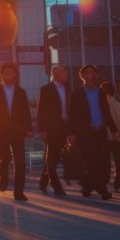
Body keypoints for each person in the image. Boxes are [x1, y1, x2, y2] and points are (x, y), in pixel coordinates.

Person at [67, 65, 116, 201]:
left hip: (99, 132)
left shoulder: (101, 93)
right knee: (90, 162)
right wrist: (71, 133)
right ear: (82, 77)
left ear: (97, 75)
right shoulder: (77, 94)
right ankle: (103, 191)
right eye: (87, 73)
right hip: (84, 134)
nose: (90, 75)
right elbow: (72, 115)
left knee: (96, 162)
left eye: (93, 72)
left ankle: (87, 187)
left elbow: (106, 112)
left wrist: (113, 129)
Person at [0, 63, 32, 202]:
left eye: (10, 73)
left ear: (14, 75)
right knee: (5, 157)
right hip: (1, 131)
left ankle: (19, 192)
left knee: (20, 161)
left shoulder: (20, 92)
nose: (8, 76)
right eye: (5, 73)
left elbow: (26, 111)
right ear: (2, 75)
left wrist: (29, 128)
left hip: (18, 131)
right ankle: (3, 176)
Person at [37, 65, 70, 196]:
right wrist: (42, 129)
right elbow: (41, 111)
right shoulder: (46, 89)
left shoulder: (68, 88)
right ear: (55, 74)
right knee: (51, 157)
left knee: (54, 158)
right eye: (64, 72)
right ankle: (57, 185)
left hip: (65, 127)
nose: (66, 74)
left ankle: (44, 180)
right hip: (51, 128)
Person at [101, 81, 120, 192]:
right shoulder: (118, 105)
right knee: (118, 161)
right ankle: (117, 181)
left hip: (107, 137)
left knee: (105, 160)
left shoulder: (102, 105)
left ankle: (105, 179)